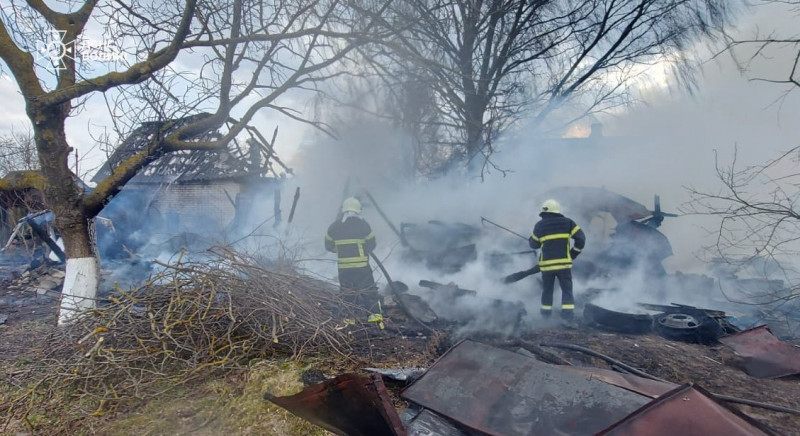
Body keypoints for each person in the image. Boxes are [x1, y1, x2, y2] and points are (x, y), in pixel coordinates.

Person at [529, 199, 586, 320]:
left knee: (547, 291)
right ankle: (567, 319)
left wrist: (533, 239)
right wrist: (573, 254)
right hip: (564, 266)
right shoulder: (568, 223)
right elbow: (581, 239)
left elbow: (534, 245)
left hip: (546, 266)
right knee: (567, 292)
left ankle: (545, 317)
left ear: (543, 213)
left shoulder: (539, 225)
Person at [325, 197, 378, 310]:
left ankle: (349, 319)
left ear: (343, 210)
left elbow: (328, 245)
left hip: (344, 268)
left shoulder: (334, 226)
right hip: (362, 267)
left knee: (347, 294)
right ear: (358, 210)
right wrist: (363, 249)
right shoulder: (363, 225)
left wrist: (340, 250)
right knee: (369, 291)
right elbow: (372, 244)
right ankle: (374, 317)